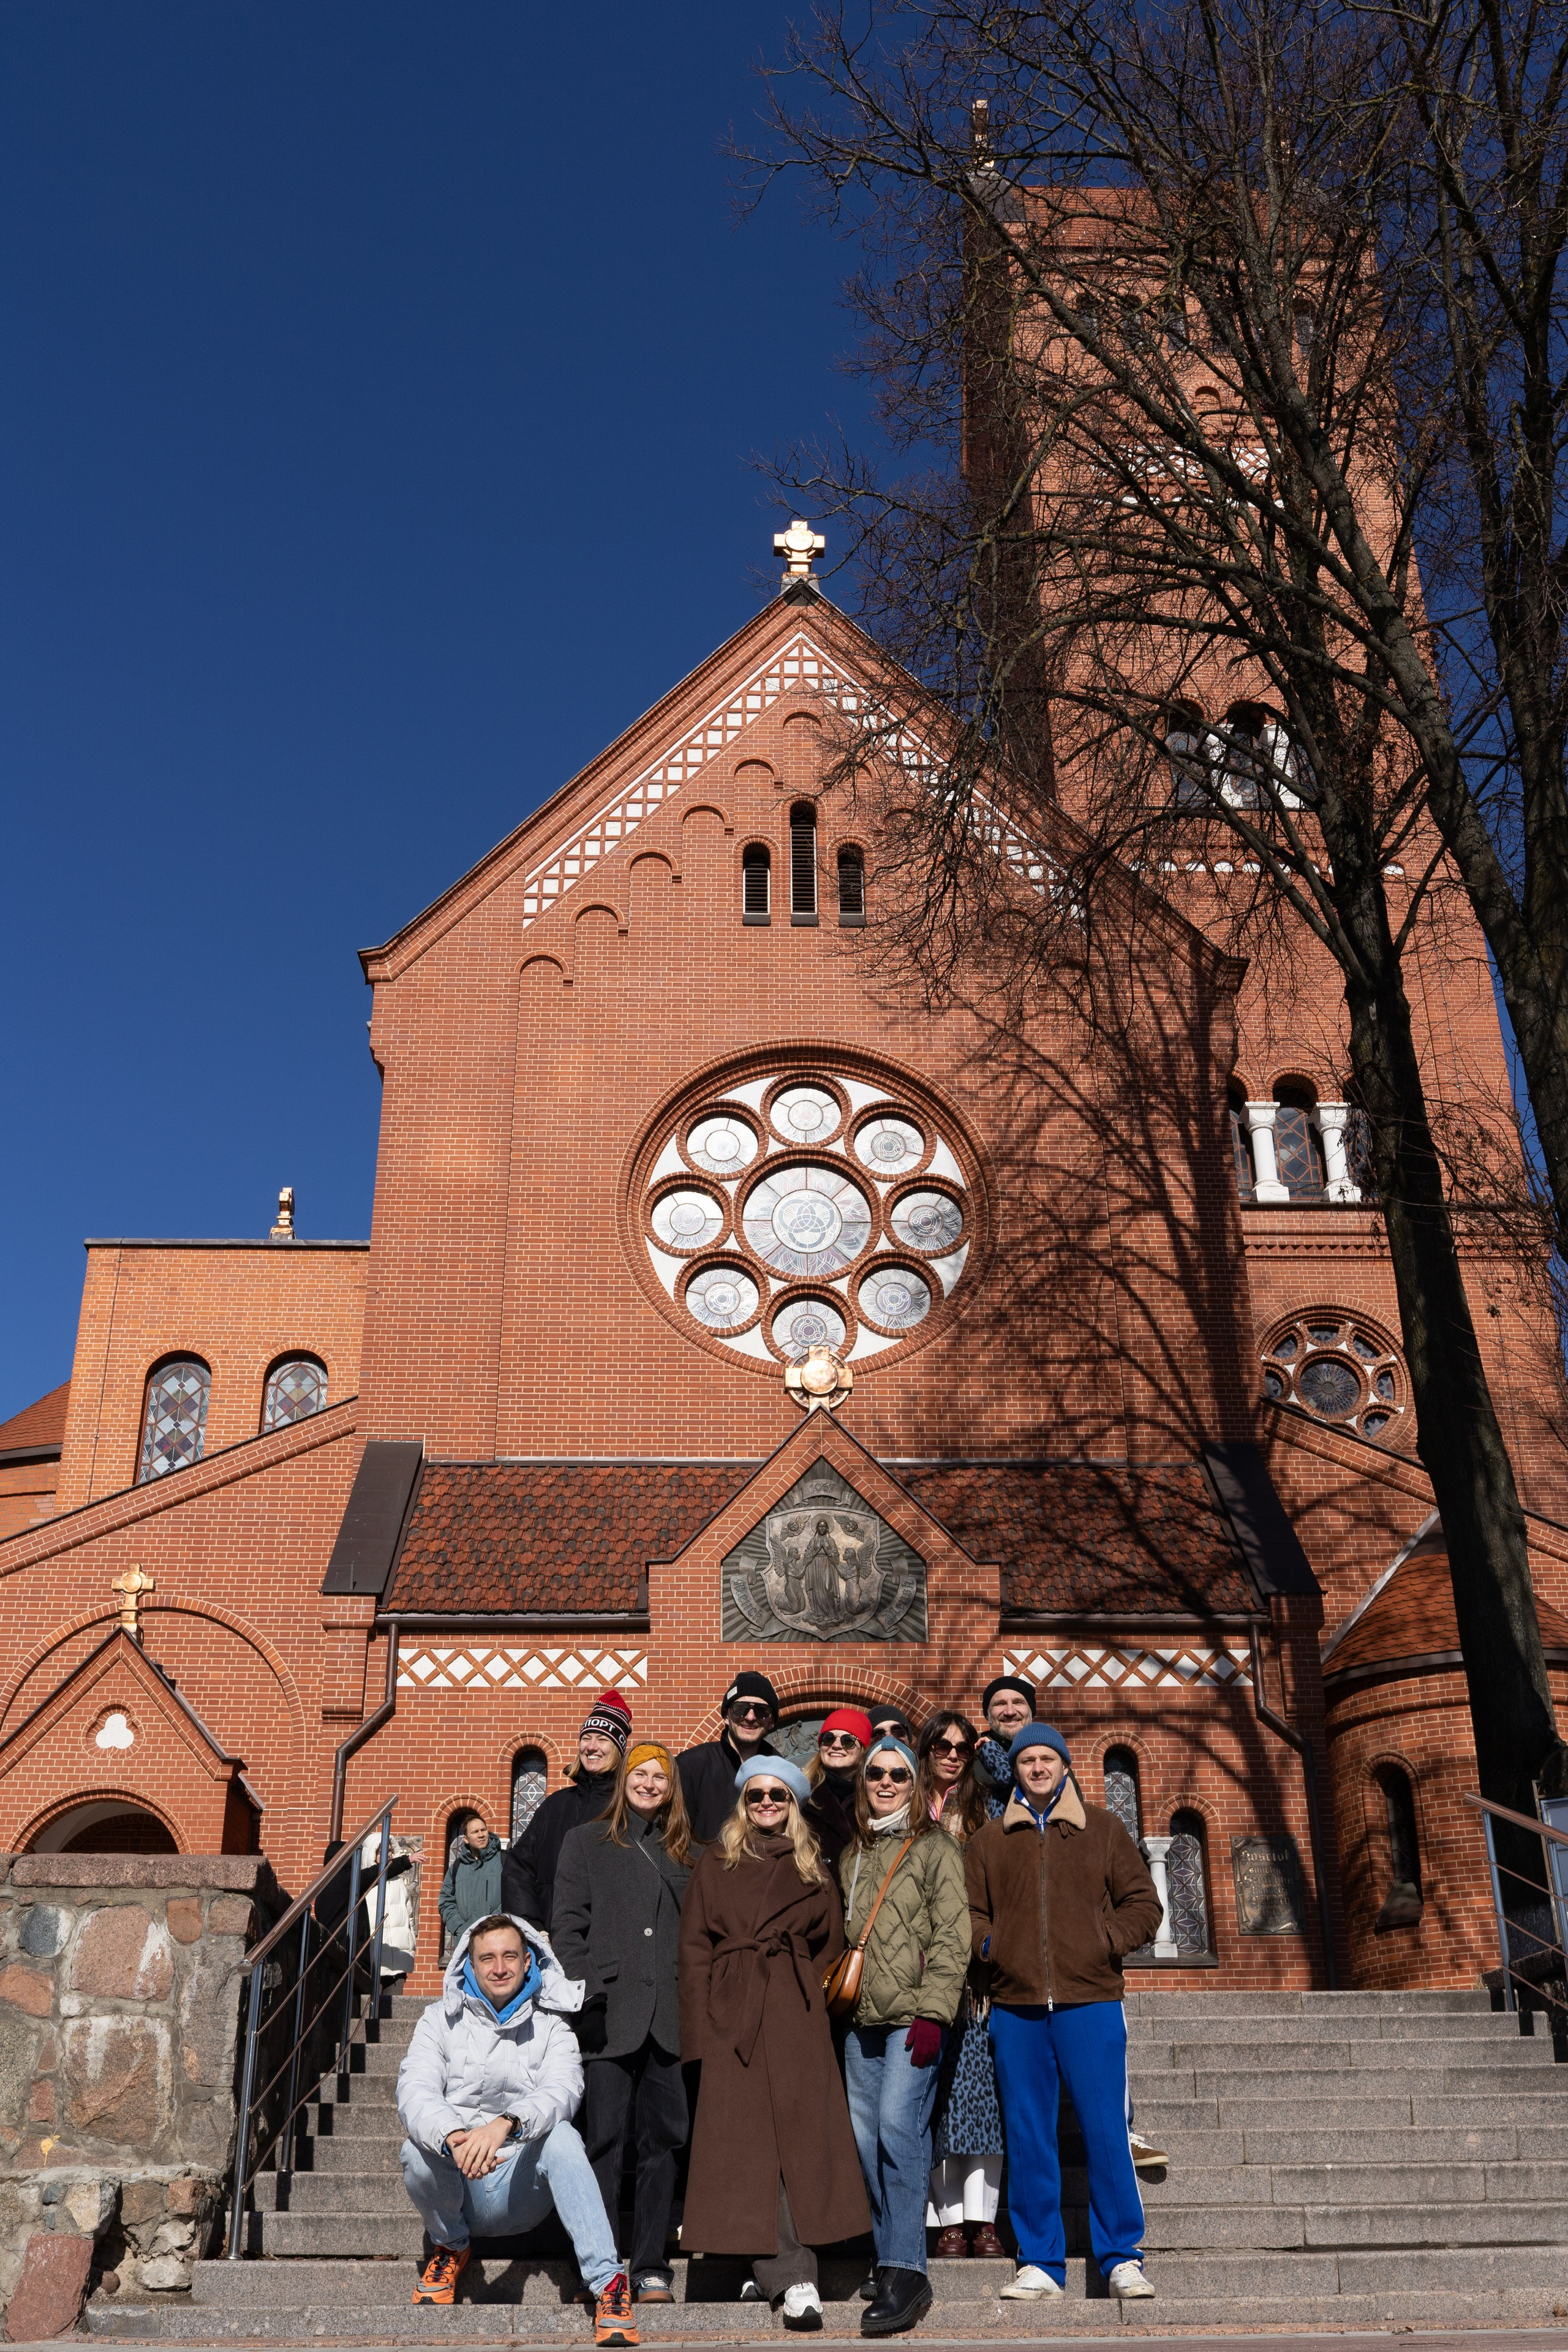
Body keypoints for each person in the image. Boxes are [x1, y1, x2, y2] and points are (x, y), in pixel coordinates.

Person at [967, 1725, 1163, 2304]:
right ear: (1016, 1770)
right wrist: (989, 1947)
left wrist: (1105, 1940)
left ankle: (1122, 2258)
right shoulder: (989, 1840)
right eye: (1027, 1759)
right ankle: (1041, 2263)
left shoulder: (1101, 1829)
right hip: (1016, 2005)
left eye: (1047, 1758)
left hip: (1092, 2001)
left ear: (1064, 1765)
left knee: (1106, 2131)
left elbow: (1144, 1904)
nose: (1037, 1767)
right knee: (1029, 2138)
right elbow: (972, 1912)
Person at [678, 1754, 872, 2329]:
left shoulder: (814, 1869)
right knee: (744, 2150)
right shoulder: (715, 1861)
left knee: (795, 2148)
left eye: (779, 1795)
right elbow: (693, 1951)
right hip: (732, 2012)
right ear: (743, 1801)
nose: (767, 1803)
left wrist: (804, 1992)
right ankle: (790, 2276)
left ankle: (779, 2269)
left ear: (793, 1803)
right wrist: (701, 2030)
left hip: (793, 2014)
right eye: (757, 1794)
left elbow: (832, 1946)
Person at [396, 1911, 638, 2349]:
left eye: (510, 1956)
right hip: (460, 2184)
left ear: (529, 1961)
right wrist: (454, 2136)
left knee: (564, 2136)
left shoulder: (552, 2024)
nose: (500, 1967)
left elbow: (565, 2089)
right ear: (469, 1965)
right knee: (416, 2150)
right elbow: (415, 2089)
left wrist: (505, 2126)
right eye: (487, 1958)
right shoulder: (438, 2020)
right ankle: (451, 2247)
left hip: (521, 2185)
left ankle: (609, 2285)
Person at [551, 1743, 695, 2305]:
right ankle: (604, 2263)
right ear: (624, 1780)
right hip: (607, 2015)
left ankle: (652, 2264)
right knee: (605, 2140)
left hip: (670, 2016)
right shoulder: (585, 1841)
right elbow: (567, 1928)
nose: (650, 1784)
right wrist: (590, 1987)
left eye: (661, 1776)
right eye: (641, 1773)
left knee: (664, 2140)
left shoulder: (688, 1851)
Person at [837, 1736, 970, 2337]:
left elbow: (952, 1934)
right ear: (863, 1782)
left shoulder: (935, 1846)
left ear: (914, 1783)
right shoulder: (852, 1853)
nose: (885, 1782)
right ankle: (890, 2252)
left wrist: (935, 2012)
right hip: (861, 2020)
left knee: (898, 2126)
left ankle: (905, 2270)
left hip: (913, 2018)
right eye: (875, 1774)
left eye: (896, 1774)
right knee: (865, 2141)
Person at [914, 1713, 1007, 2261]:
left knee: (981, 2102)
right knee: (935, 2103)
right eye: (941, 1746)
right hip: (916, 1977)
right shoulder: (906, 1808)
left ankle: (983, 2220)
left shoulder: (985, 1809)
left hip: (976, 1981)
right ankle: (947, 2221)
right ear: (923, 1750)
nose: (952, 1755)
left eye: (962, 1748)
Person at [502, 1692, 631, 1929]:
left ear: (618, 1748)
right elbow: (518, 1869)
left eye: (602, 1739)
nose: (592, 1747)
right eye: (586, 1738)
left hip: (608, 1947)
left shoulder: (628, 1807)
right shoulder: (555, 1806)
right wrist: (533, 1928)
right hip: (551, 1941)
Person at [676, 1672, 780, 1844]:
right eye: (741, 1708)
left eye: (762, 1711)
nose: (750, 1717)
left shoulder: (781, 1773)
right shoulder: (691, 1765)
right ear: (726, 1716)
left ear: (772, 1722)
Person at [804, 1708, 872, 1875]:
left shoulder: (875, 1796)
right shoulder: (802, 1795)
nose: (836, 1745)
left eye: (848, 1741)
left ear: (862, 1749)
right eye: (828, 1739)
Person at [439, 1812, 506, 1943]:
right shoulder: (457, 1868)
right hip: (466, 1940)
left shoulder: (505, 1860)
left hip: (499, 1937)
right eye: (475, 1832)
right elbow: (446, 1901)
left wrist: (493, 1923)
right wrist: (460, 1928)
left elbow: (514, 1895)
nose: (481, 1835)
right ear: (466, 1839)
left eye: (483, 1830)